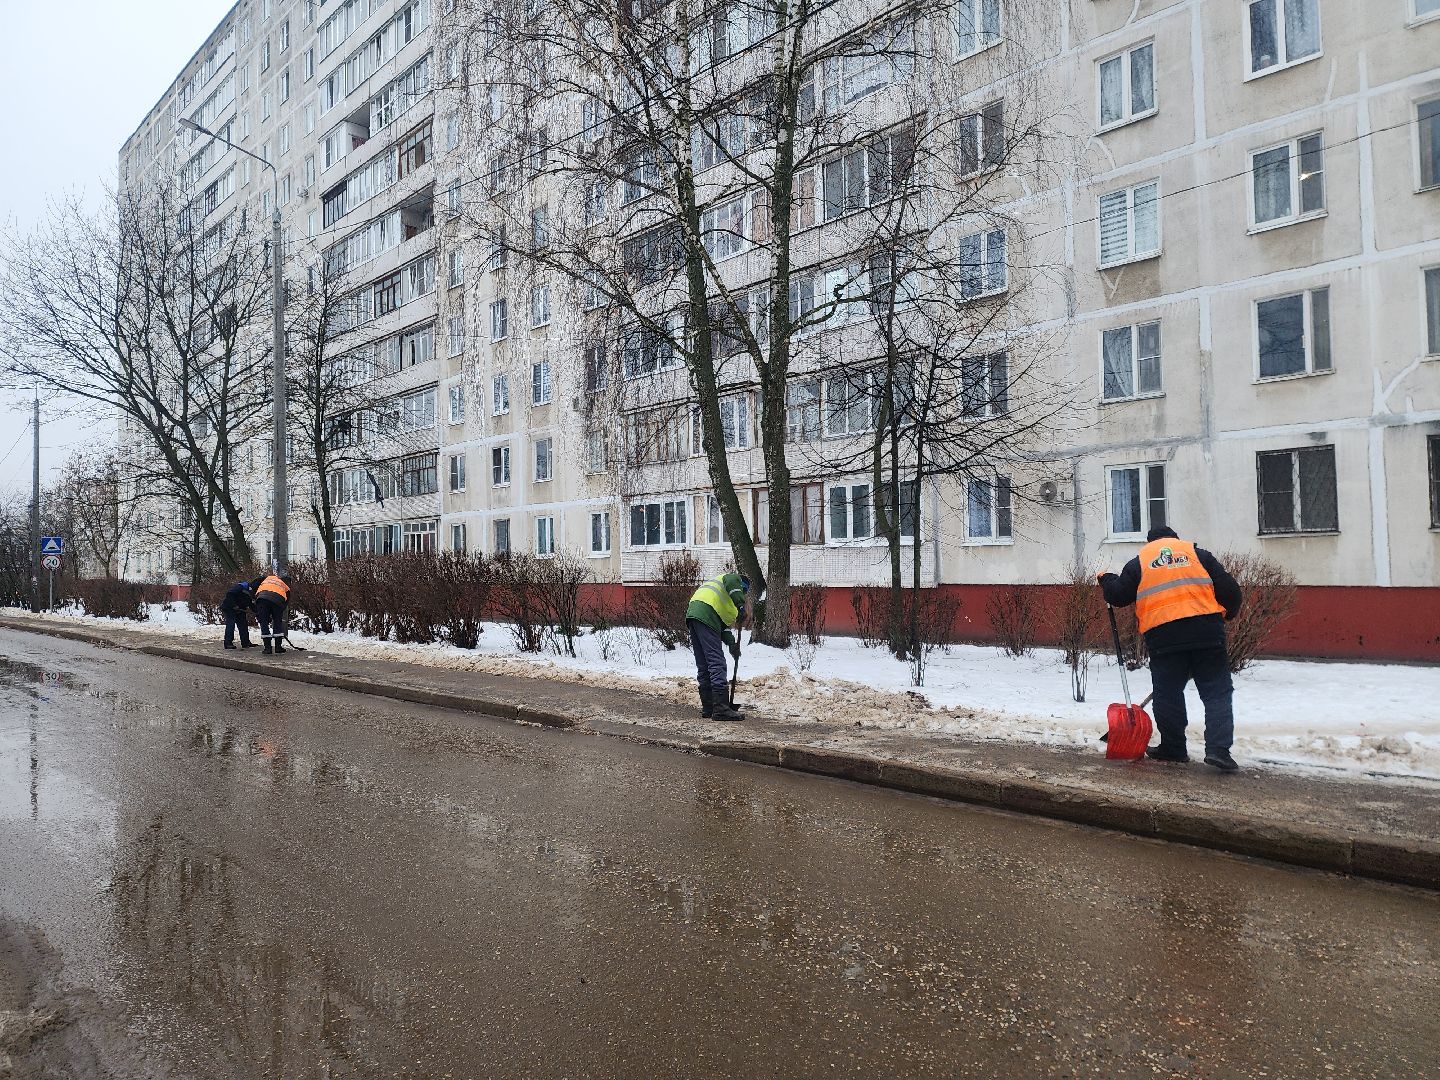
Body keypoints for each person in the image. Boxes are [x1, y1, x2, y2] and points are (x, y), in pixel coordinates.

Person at [1099, 526, 1244, 771]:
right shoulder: (1198, 555)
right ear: (1175, 540)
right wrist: (1227, 616)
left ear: (1150, 542)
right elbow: (1231, 592)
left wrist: (1106, 579)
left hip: (1165, 637)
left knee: (1168, 694)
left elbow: (1118, 596)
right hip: (1207, 632)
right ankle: (1219, 751)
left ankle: (1174, 748)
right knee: (1216, 693)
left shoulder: (1141, 561)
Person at [686, 572, 751, 722]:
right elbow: (732, 582)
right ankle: (721, 709)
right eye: (743, 591)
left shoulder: (726, 604)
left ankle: (709, 707)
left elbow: (723, 628)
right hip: (705, 613)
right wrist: (741, 605)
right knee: (717, 662)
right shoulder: (733, 578)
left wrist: (732, 645)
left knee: (704, 663)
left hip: (694, 614)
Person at [251, 572, 292, 656]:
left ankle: (267, 648)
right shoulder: (285, 586)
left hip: (262, 599)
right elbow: (286, 602)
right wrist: (278, 613)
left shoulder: (266, 579)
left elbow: (253, 587)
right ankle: (278, 648)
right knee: (277, 623)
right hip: (278, 601)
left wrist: (262, 614)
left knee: (264, 623)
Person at [220, 580, 257, 650]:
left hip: (240, 608)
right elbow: (230, 594)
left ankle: (245, 642)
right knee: (231, 625)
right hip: (230, 608)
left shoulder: (251, 592)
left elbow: (250, 603)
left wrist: (258, 612)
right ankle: (228, 643)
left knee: (243, 625)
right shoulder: (241, 587)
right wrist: (234, 605)